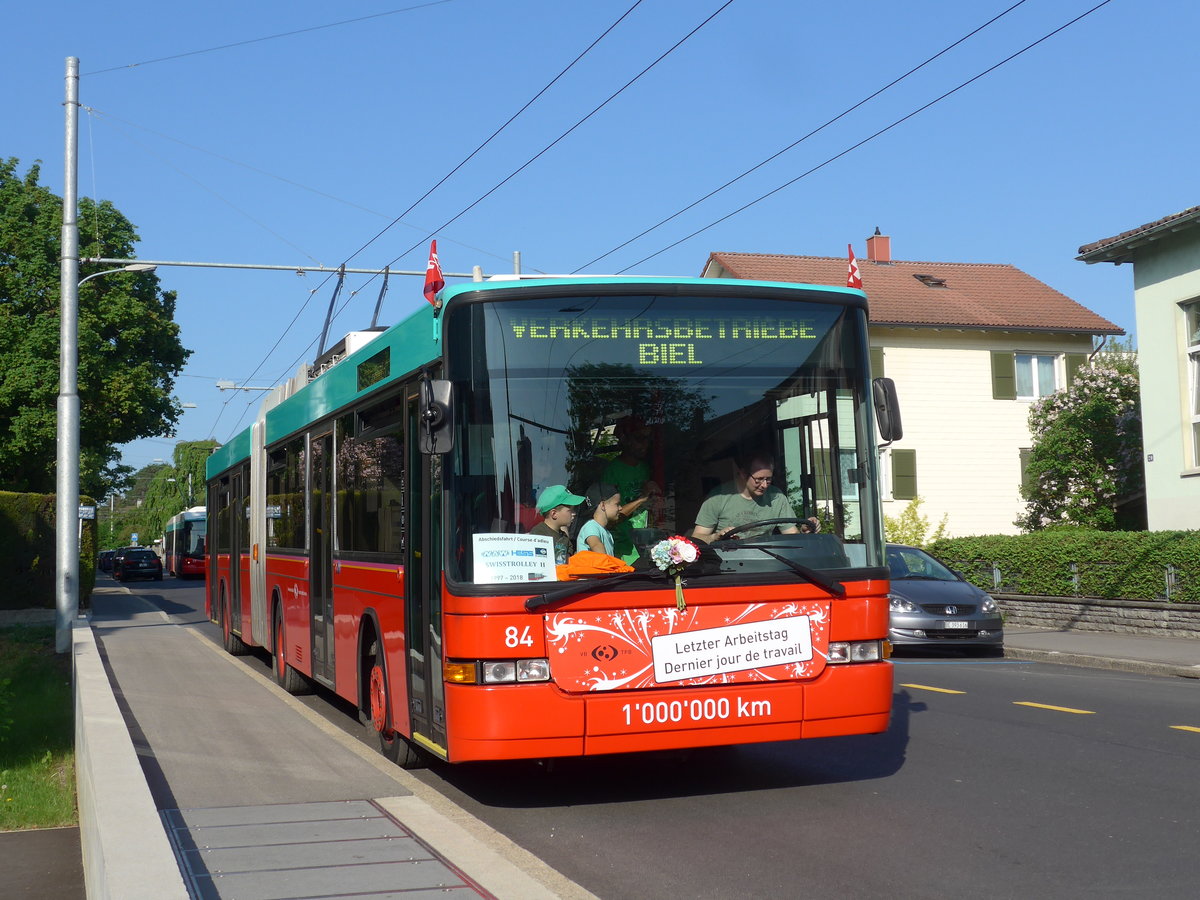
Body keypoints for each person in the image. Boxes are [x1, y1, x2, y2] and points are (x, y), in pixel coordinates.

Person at [691, 454, 798, 543]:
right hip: (727, 560)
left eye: (768, 479)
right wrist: (715, 537)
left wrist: (805, 532)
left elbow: (792, 536)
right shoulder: (718, 497)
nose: (765, 485)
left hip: (767, 559)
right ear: (743, 474)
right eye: (759, 479)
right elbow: (697, 538)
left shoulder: (776, 497)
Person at [602, 419, 661, 563]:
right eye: (639, 439)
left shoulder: (645, 468)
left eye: (647, 440)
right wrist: (642, 497)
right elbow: (609, 517)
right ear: (625, 440)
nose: (645, 445)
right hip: (623, 546)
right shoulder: (612, 471)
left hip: (646, 541)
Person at [530, 485, 585, 565]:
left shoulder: (564, 537)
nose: (574, 514)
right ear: (554, 514)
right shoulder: (538, 535)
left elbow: (567, 564)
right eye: (570, 510)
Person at [577, 482, 621, 556]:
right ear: (603, 505)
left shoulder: (606, 532)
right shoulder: (591, 526)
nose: (620, 508)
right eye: (617, 504)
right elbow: (596, 545)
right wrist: (608, 565)